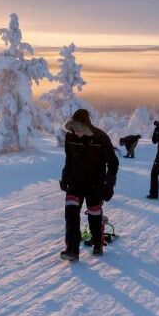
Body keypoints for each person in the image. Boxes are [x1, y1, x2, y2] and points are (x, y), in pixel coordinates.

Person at [59, 109, 119, 261]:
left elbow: (113, 163)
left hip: (95, 184)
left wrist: (109, 186)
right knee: (71, 215)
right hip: (75, 183)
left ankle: (97, 244)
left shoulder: (101, 138)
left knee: (94, 215)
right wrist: (65, 178)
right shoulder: (69, 136)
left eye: (78, 129)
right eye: (73, 129)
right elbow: (69, 160)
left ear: (86, 126)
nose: (76, 133)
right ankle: (72, 250)